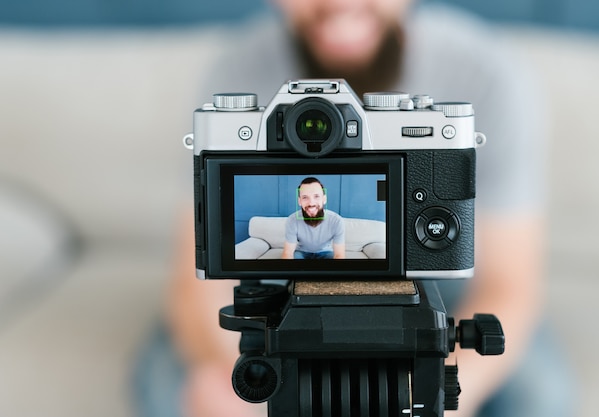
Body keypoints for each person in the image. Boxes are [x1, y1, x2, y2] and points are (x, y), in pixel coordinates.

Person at [134, 1, 575, 417]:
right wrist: (251, 383)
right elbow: (198, 278)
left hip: (436, 278)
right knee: (174, 387)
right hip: (274, 290)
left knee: (538, 392)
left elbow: (509, 280)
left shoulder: (486, 72)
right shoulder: (236, 66)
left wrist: (437, 394)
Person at [281, 177, 346, 260]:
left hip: (326, 252)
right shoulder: (292, 220)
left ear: (324, 199)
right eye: (305, 197)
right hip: (302, 252)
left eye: (316, 196)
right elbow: (288, 253)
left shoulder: (337, 221)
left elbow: (339, 255)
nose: (311, 203)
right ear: (299, 201)